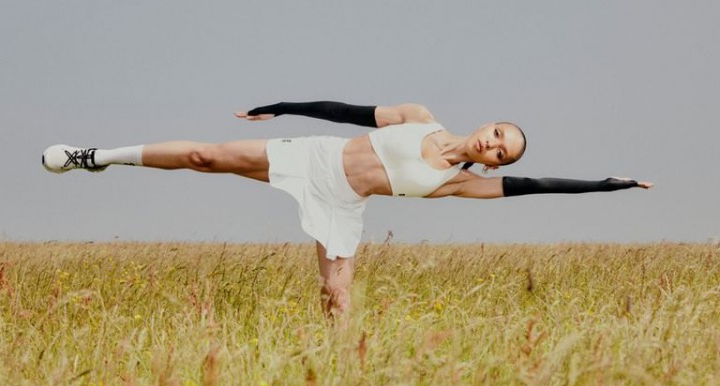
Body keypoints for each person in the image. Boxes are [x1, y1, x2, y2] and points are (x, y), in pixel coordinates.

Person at [42, 101, 652, 316]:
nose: (493, 146)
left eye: (502, 152)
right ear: (488, 124)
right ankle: (96, 156)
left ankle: (337, 370)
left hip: (341, 204)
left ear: (494, 165)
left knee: (337, 298)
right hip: (314, 156)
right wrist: (284, 105)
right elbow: (349, 112)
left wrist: (608, 185)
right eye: (498, 134)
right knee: (207, 156)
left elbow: (538, 186)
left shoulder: (460, 185)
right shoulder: (419, 117)